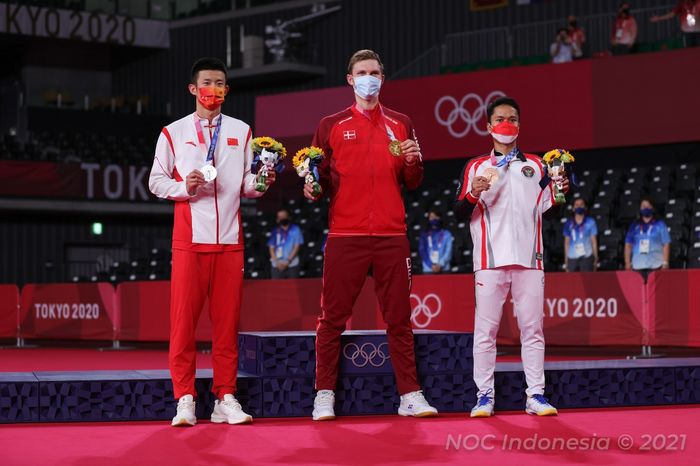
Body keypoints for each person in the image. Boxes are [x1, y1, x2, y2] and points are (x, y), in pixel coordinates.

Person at [304, 49, 438, 421]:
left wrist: (414, 161)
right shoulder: (330, 124)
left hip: (392, 236)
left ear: (383, 78)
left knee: (399, 319)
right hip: (346, 235)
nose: (369, 78)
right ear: (350, 79)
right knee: (331, 319)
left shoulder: (402, 123)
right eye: (362, 72)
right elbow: (319, 181)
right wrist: (311, 187)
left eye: (375, 72)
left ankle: (410, 395)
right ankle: (324, 394)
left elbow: (412, 182)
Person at [149, 57, 275, 427]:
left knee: (226, 327)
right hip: (189, 241)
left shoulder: (243, 131)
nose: (214, 89)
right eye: (207, 83)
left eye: (220, 84)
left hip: (231, 242)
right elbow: (155, 182)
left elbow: (247, 186)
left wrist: (261, 182)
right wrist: (182, 188)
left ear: (227, 90)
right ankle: (185, 398)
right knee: (183, 326)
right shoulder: (172, 132)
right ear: (193, 89)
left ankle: (225, 397)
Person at [454, 96, 567, 418]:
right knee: (485, 333)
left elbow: (551, 207)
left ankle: (536, 395)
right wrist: (474, 192)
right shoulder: (477, 166)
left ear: (519, 125)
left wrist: (561, 191)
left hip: (530, 260)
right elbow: (460, 210)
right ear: (488, 126)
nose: (507, 123)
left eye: (513, 118)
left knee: (532, 331)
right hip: (489, 261)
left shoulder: (538, 165)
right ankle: (484, 396)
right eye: (501, 118)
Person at [624, 198, 671, 279]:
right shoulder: (634, 226)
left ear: (653, 208)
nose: (645, 208)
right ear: (640, 209)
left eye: (648, 206)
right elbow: (628, 244)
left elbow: (666, 243)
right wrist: (627, 262)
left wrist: (665, 262)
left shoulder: (660, 224)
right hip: (637, 265)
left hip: (656, 265)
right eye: (643, 206)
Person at [563, 198, 598, 272]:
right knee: (572, 282)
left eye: (581, 204)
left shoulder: (591, 222)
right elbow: (567, 243)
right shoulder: (568, 223)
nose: (579, 206)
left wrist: (595, 259)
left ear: (585, 207)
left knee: (588, 281)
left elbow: (594, 242)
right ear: (573, 208)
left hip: (587, 257)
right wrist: (566, 261)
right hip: (572, 257)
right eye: (577, 205)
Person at [267, 209, 304, 278]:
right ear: (277, 219)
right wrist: (277, 263)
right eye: (280, 217)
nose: (282, 218)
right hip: (276, 265)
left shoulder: (295, 229)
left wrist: (288, 261)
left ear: (289, 217)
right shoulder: (274, 231)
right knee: (276, 287)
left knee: (293, 287)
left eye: (284, 216)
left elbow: (296, 246)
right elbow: (271, 249)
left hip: (292, 264)